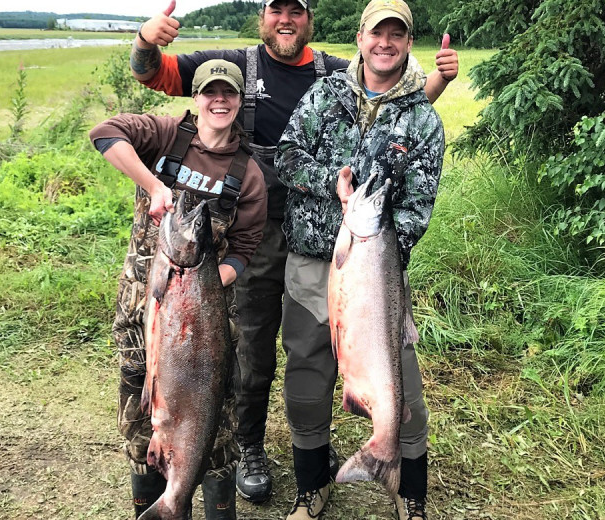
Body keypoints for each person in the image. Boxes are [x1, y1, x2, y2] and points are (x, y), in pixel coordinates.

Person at [131, 0, 458, 503]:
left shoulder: (334, 74)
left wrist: (434, 85)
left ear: (310, 20)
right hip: (261, 233)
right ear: (264, 16)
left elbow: (401, 116)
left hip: (353, 255)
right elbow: (159, 77)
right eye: (277, 9)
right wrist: (145, 41)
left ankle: (390, 479)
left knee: (373, 365)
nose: (287, 19)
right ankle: (259, 453)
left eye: (298, 10)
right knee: (257, 350)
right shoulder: (251, 69)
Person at [274, 0, 445, 518]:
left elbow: (417, 207)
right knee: (306, 379)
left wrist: (376, 245)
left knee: (400, 384)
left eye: (397, 34)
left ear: (408, 43)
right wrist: (333, 184)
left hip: (377, 275)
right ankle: (313, 487)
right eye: (377, 33)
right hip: (310, 265)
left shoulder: (423, 120)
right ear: (360, 37)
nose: (385, 43)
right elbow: (286, 155)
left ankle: (407, 493)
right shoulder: (325, 94)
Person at [89, 59, 267, 520]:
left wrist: (201, 282)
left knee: (215, 423)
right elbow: (104, 133)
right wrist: (152, 185)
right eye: (210, 91)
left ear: (240, 100)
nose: (219, 100)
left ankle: (198, 502)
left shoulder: (248, 173)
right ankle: (156, 506)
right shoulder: (165, 135)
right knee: (142, 418)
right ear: (196, 98)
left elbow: (244, 249)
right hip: (139, 319)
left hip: (204, 325)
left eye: (229, 93)